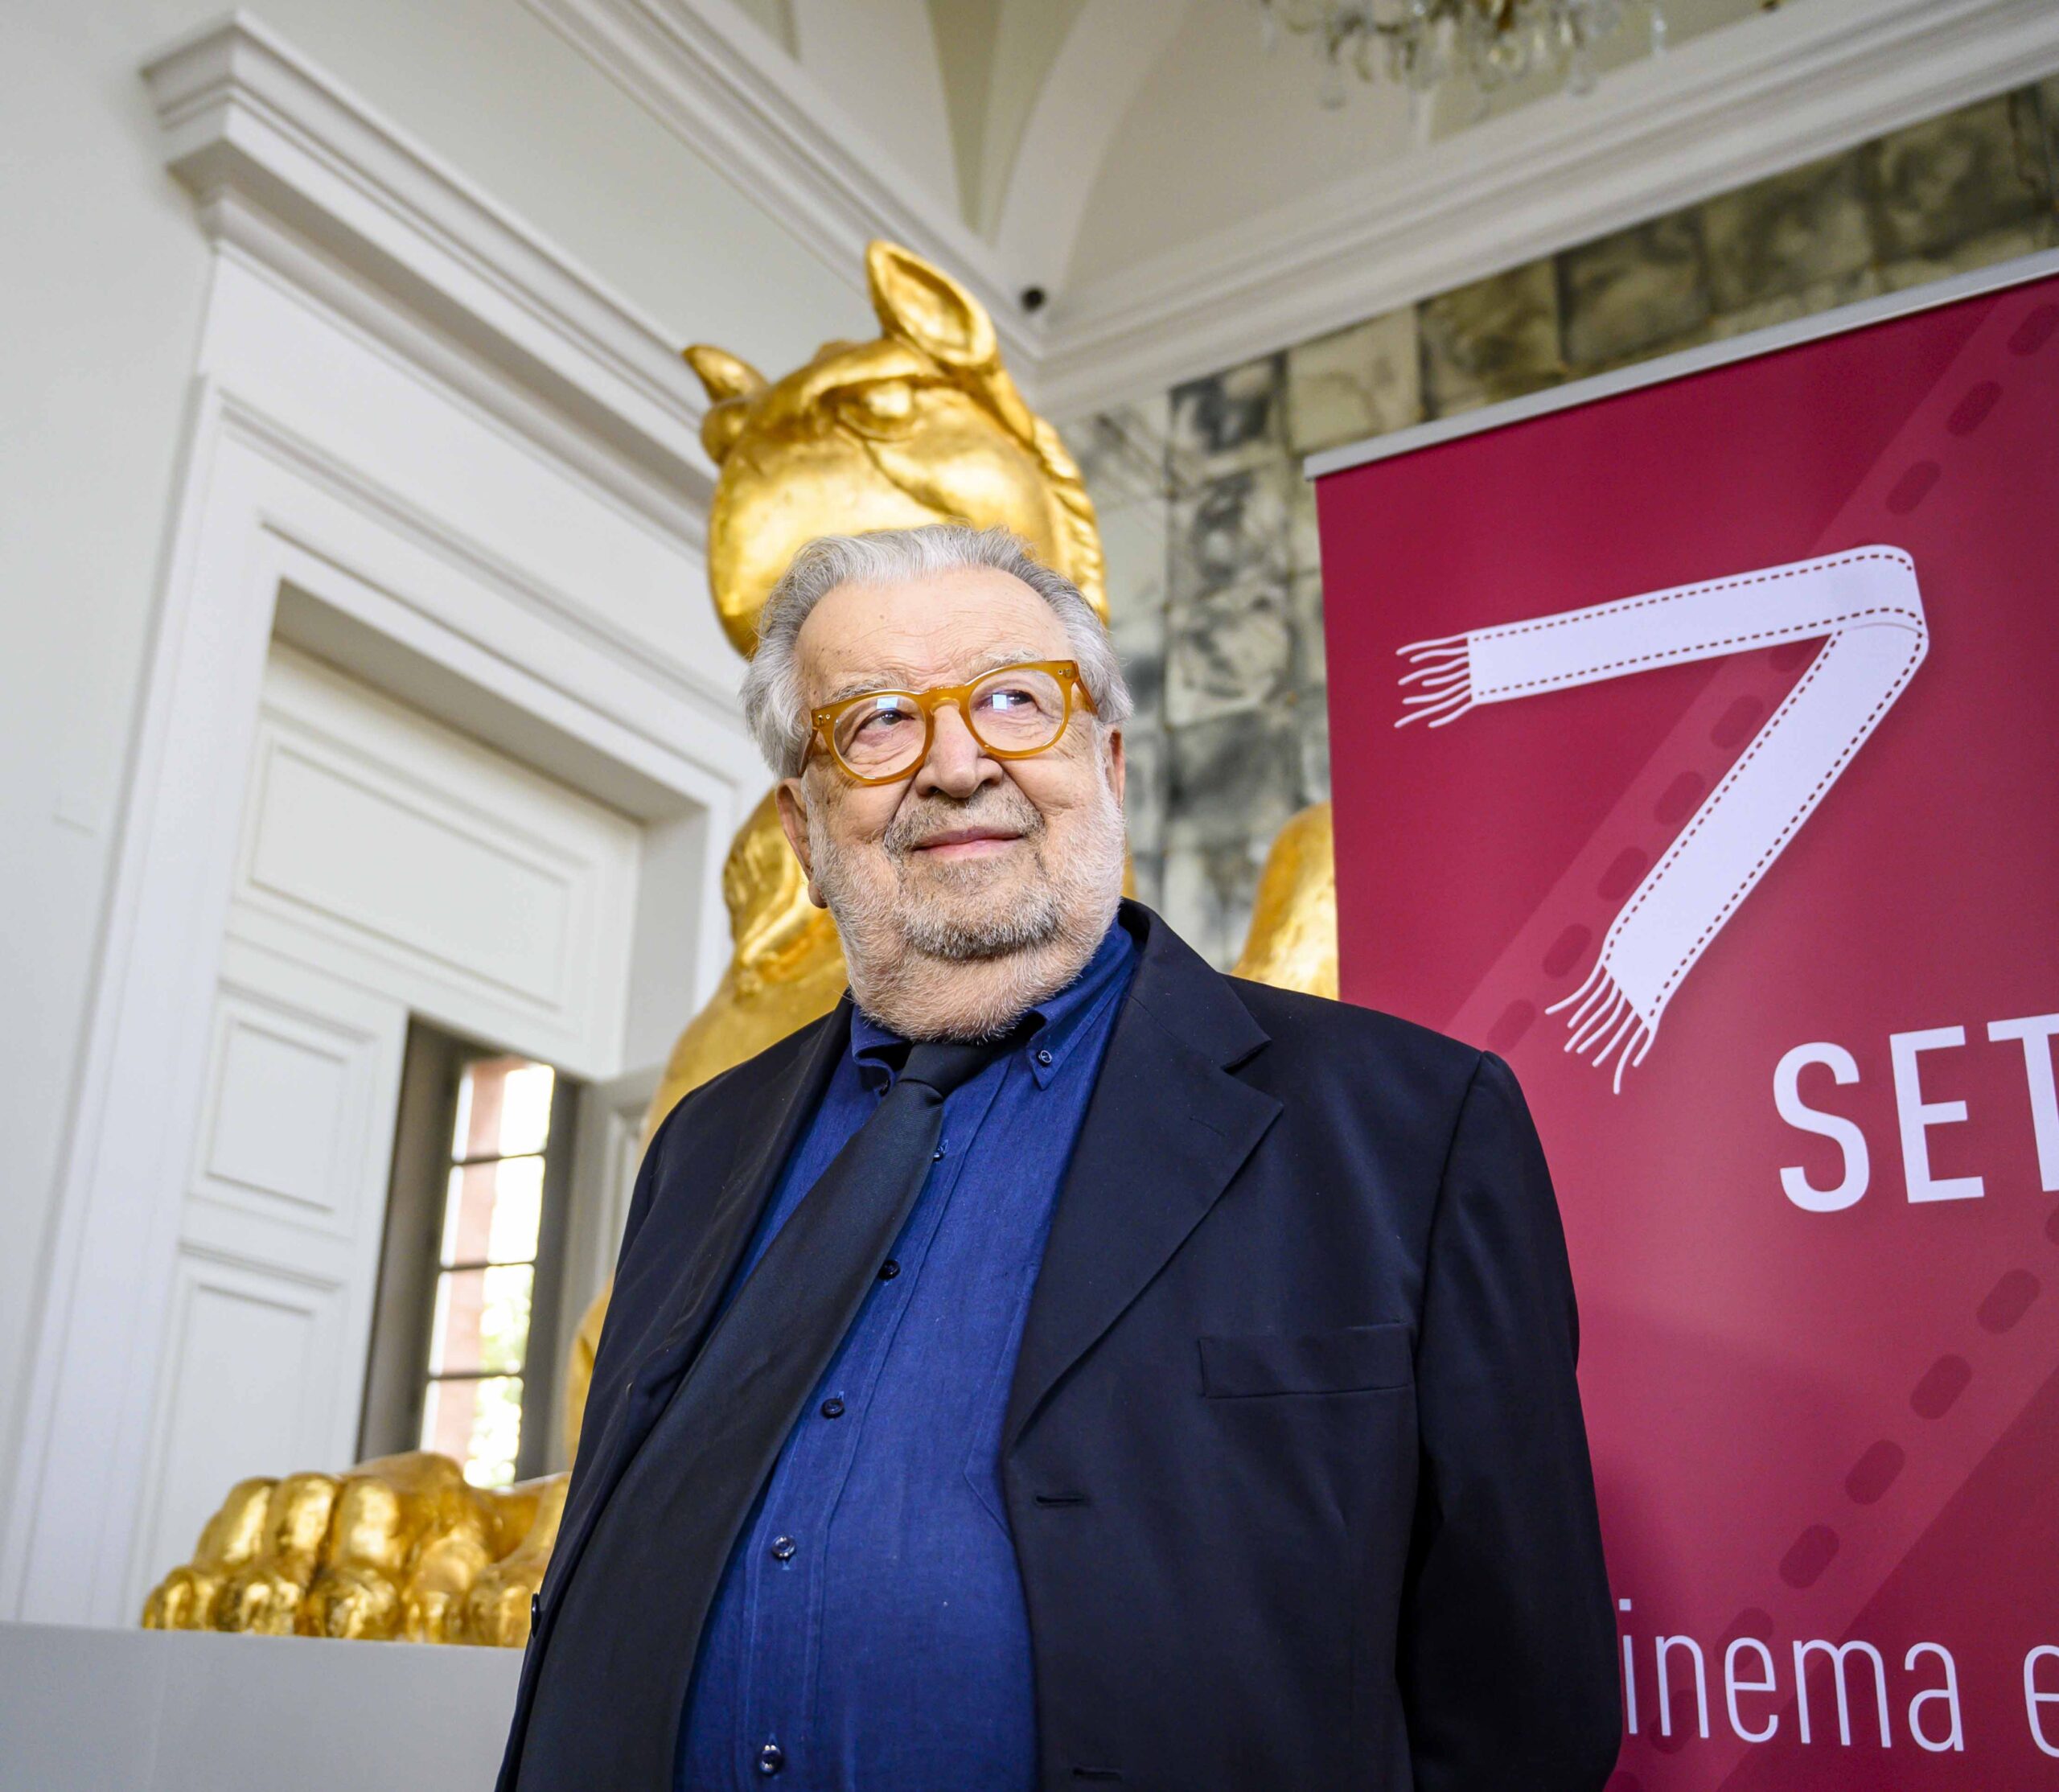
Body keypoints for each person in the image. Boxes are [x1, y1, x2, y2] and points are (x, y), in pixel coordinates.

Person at [496, 524, 1621, 1792]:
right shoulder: (702, 1143)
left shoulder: (1410, 1127)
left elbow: (1523, 1706)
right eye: (877, 722)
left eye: (1015, 701)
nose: (957, 765)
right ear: (803, 832)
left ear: (1108, 764)